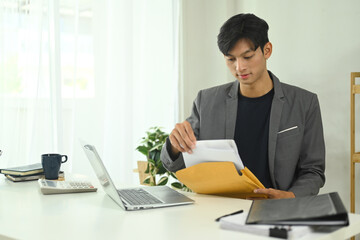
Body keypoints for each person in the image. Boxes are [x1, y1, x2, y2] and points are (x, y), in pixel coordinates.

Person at [160, 13, 325, 199]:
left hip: (278, 211)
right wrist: (175, 145)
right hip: (218, 212)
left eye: (247, 57)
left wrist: (291, 196)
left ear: (267, 50)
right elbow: (173, 164)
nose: (239, 67)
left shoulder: (304, 103)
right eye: (231, 59)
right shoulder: (206, 101)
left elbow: (314, 171)